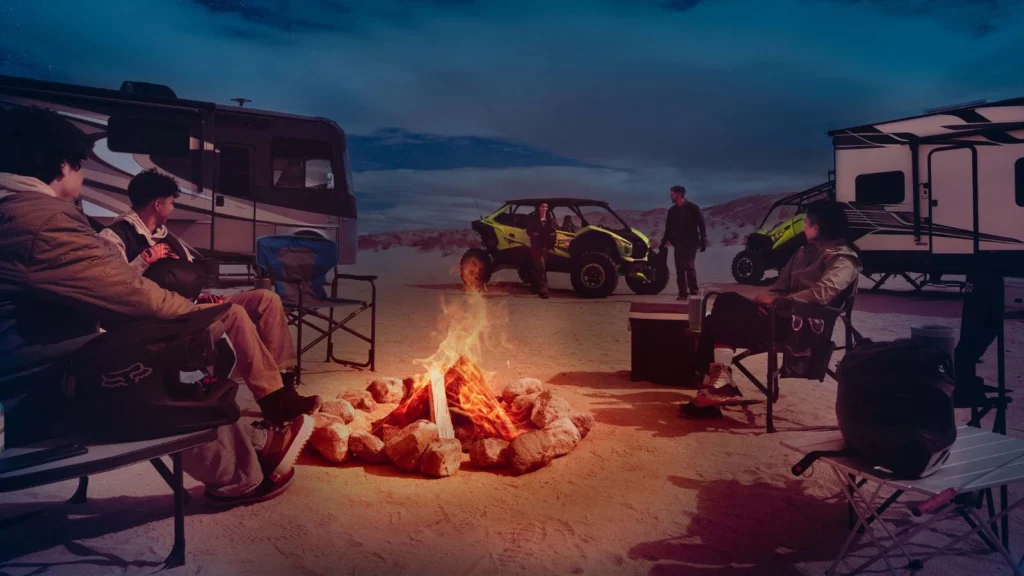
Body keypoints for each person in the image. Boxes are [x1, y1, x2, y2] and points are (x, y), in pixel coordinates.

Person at [0, 105, 312, 507]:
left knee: (209, 321)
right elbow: (129, 293)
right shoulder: (41, 222)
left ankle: (265, 418)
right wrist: (199, 312)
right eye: (81, 166)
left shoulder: (19, 213)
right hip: (38, 389)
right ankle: (241, 474)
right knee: (155, 356)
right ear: (62, 165)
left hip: (34, 371)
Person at [98, 169, 321, 423]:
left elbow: (190, 278)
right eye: (171, 202)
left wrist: (207, 296)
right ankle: (271, 399)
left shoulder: (167, 238)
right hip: (158, 316)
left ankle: (284, 385)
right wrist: (145, 259)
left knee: (266, 299)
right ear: (157, 204)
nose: (172, 208)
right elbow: (112, 284)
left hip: (192, 305)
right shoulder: (115, 236)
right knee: (234, 314)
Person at [681, 201, 862, 417]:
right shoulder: (803, 252)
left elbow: (822, 293)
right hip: (777, 316)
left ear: (819, 226)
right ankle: (717, 385)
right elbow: (779, 286)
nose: (804, 227)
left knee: (722, 311)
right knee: (723, 307)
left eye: (806, 222)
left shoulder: (843, 258)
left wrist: (778, 303)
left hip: (801, 328)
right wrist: (766, 300)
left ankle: (714, 385)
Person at [660, 185, 707, 300]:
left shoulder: (693, 208)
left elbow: (701, 225)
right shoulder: (672, 211)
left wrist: (703, 240)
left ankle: (694, 291)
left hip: (692, 242)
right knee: (679, 268)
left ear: (680, 194)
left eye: (673, 194)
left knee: (689, 265)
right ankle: (682, 293)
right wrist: (663, 242)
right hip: (678, 243)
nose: (671, 196)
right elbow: (668, 229)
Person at [526, 201, 557, 299]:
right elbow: (528, 231)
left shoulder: (550, 219)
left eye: (546, 207)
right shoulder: (533, 219)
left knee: (539, 268)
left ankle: (534, 288)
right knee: (541, 268)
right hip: (536, 246)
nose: (544, 208)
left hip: (545, 246)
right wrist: (534, 234)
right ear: (539, 208)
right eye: (542, 206)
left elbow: (554, 230)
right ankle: (544, 291)